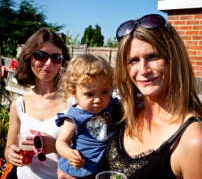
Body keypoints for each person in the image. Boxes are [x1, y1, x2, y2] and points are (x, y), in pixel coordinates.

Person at [103, 14, 202, 179]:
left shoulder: (193, 140)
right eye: (133, 60)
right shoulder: (123, 112)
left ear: (173, 59)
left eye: (153, 56)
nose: (143, 70)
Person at [4, 27, 75, 179]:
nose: (49, 63)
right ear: (29, 57)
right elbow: (9, 148)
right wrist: (12, 155)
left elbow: (90, 150)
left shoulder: (72, 103)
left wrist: (57, 145)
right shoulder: (18, 105)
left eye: (56, 57)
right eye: (41, 56)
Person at [55, 54, 119, 179]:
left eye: (104, 92)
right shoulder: (73, 117)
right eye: (90, 94)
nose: (98, 100)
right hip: (81, 168)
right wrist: (69, 154)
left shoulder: (110, 105)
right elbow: (61, 142)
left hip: (101, 167)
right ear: (74, 93)